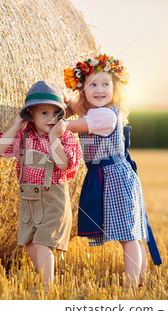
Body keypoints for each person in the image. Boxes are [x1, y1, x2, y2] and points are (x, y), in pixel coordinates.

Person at [63, 54, 161, 288]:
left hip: (114, 178)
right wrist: (67, 101)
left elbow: (70, 125)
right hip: (115, 176)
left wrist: (48, 118)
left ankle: (130, 289)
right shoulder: (101, 111)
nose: (99, 89)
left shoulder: (103, 115)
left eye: (105, 84)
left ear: (115, 88)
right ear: (83, 90)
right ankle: (138, 283)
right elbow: (78, 109)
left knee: (128, 237)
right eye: (92, 85)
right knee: (132, 235)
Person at [0, 81, 82, 285]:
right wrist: (15, 127)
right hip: (29, 202)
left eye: (55, 113)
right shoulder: (24, 136)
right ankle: (47, 278)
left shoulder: (65, 137)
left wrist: (54, 138)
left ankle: (47, 289)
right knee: (31, 245)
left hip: (53, 202)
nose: (51, 118)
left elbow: (63, 164)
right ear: (30, 115)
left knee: (43, 245)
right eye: (44, 113)